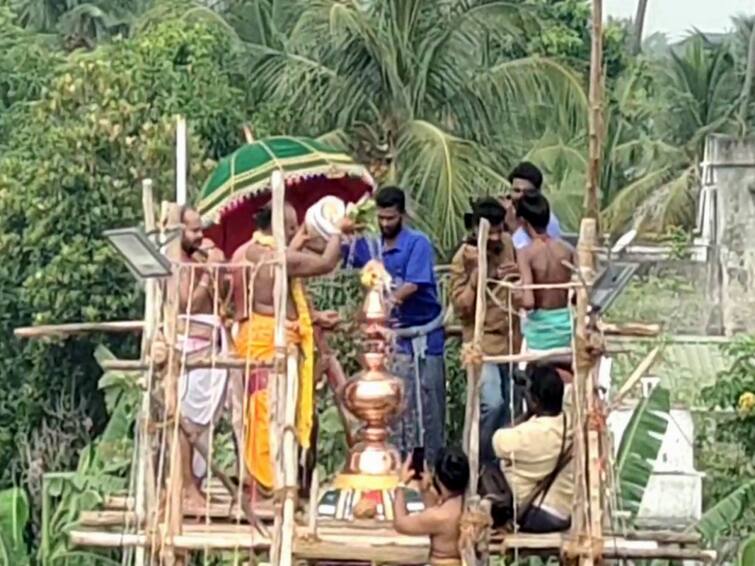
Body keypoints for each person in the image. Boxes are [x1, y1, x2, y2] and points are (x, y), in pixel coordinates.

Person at [234, 201, 351, 495]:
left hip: (272, 336)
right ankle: (267, 483)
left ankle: (278, 480)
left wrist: (313, 318)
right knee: (267, 410)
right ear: (276, 228)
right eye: (290, 228)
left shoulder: (254, 251)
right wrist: (338, 230)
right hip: (267, 340)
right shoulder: (271, 257)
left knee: (278, 409)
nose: (295, 232)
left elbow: (281, 294)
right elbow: (325, 263)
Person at [343, 186, 446, 466]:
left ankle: (432, 470)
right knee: (395, 407)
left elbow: (413, 284)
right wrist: (347, 223)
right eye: (381, 218)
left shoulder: (418, 243)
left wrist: (386, 304)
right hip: (390, 340)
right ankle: (397, 463)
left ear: (401, 214)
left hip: (423, 337)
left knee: (429, 408)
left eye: (391, 218)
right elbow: (339, 253)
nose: (385, 224)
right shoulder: (372, 245)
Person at [450, 197, 522, 465]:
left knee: (509, 411)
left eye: (498, 230)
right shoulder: (463, 258)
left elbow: (519, 286)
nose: (494, 237)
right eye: (488, 232)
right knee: (493, 403)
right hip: (481, 344)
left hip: (510, 342)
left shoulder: (509, 245)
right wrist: (475, 277)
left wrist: (515, 276)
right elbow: (462, 307)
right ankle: (477, 462)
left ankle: (496, 469)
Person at [175, 206, 230, 512]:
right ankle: (186, 488)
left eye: (200, 229)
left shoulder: (197, 258)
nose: (200, 235)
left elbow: (218, 297)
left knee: (203, 424)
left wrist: (216, 270)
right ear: (178, 230)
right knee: (188, 422)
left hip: (210, 343)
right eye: (193, 230)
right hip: (189, 348)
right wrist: (208, 273)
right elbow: (187, 303)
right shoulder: (176, 262)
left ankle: (195, 486)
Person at [489, 363, 573, 533]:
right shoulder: (569, 421)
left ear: (534, 400)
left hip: (538, 514)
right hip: (563, 511)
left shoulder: (530, 434)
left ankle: (501, 524)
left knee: (488, 470)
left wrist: (528, 413)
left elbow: (497, 439)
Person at [516, 193, 576, 351]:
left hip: (539, 335)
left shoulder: (526, 254)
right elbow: (578, 295)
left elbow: (529, 302)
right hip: (565, 331)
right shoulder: (567, 250)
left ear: (522, 222)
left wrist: (515, 294)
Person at [394, 447, 470, 566]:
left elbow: (400, 523)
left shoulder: (440, 516)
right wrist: (426, 490)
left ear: (438, 479)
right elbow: (434, 512)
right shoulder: (464, 504)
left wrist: (401, 484)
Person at [502, 162, 561, 250]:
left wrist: (515, 231)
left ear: (538, 193)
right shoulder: (502, 213)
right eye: (517, 191)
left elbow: (543, 254)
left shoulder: (549, 221)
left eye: (528, 192)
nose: (521, 196)